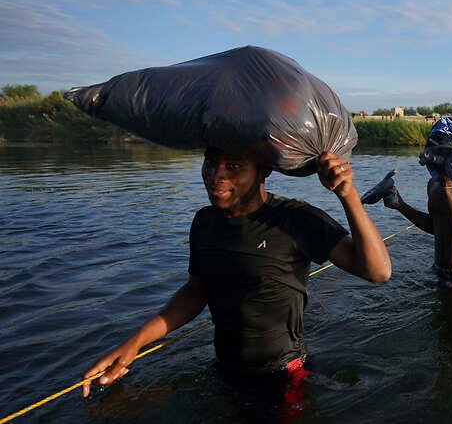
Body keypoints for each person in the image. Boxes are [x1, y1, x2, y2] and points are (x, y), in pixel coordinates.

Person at [82, 147, 392, 402]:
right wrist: (134, 344)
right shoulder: (205, 222)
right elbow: (196, 291)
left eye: (233, 165)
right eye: (211, 163)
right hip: (225, 369)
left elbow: (377, 271)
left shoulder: (295, 219)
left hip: (284, 375)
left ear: (264, 170)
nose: (217, 176)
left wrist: (348, 194)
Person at [373, 118, 452, 290]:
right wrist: (400, 204)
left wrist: (447, 184)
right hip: (438, 269)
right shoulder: (433, 184)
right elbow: (436, 226)